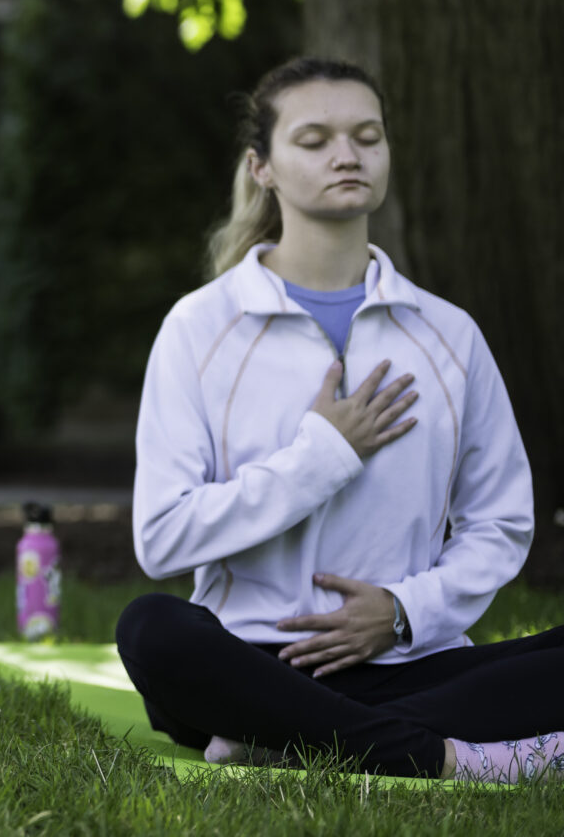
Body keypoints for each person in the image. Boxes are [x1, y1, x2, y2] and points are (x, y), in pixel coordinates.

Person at [116, 56, 563, 782]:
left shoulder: (449, 334)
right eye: (315, 139)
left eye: (367, 136)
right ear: (262, 166)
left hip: (412, 664)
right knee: (151, 629)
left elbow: (500, 521)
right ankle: (450, 758)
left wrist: (402, 610)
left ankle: (285, 741)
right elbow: (162, 537)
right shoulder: (199, 328)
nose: (348, 155)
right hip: (247, 664)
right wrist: (320, 457)